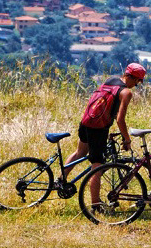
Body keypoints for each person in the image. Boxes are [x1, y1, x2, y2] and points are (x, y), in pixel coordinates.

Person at [62, 63, 146, 207]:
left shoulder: (110, 81)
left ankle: (60, 180)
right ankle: (96, 203)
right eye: (138, 82)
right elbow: (120, 119)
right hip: (98, 128)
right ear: (135, 79)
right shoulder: (126, 92)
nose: (136, 86)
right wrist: (127, 139)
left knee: (80, 152)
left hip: (86, 121)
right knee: (97, 166)